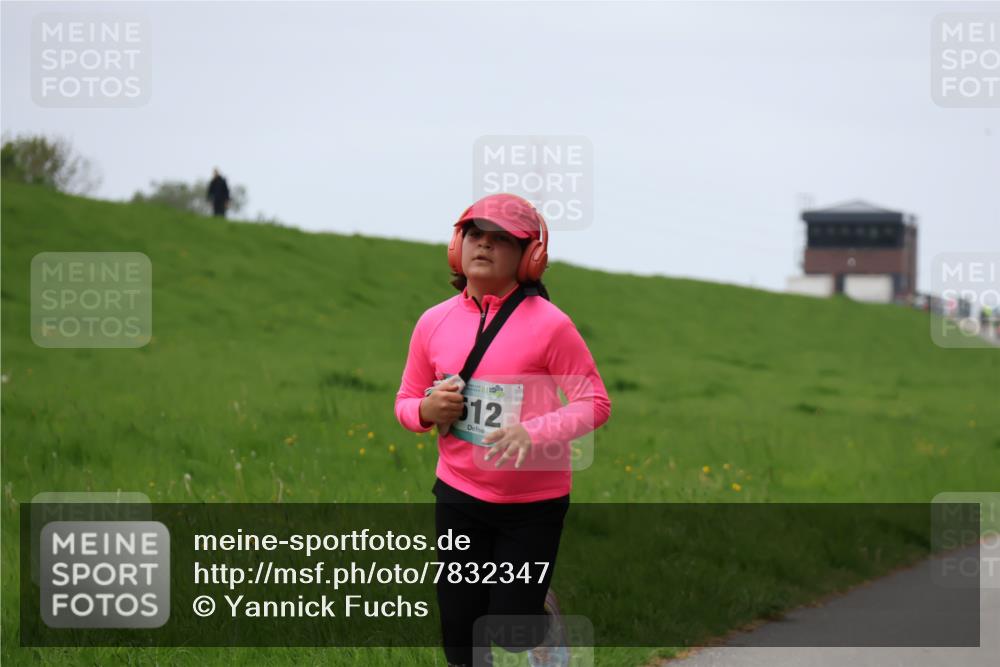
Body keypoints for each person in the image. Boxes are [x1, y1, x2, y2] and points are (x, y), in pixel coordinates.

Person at [394, 193, 612, 667]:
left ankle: (542, 616)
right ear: (458, 245)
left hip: (533, 504)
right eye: (475, 234)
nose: (484, 246)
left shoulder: (550, 326)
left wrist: (535, 433)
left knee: (512, 627)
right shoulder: (433, 322)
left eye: (501, 239)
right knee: (460, 632)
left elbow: (594, 403)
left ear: (530, 256)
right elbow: (405, 403)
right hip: (459, 492)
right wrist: (428, 410)